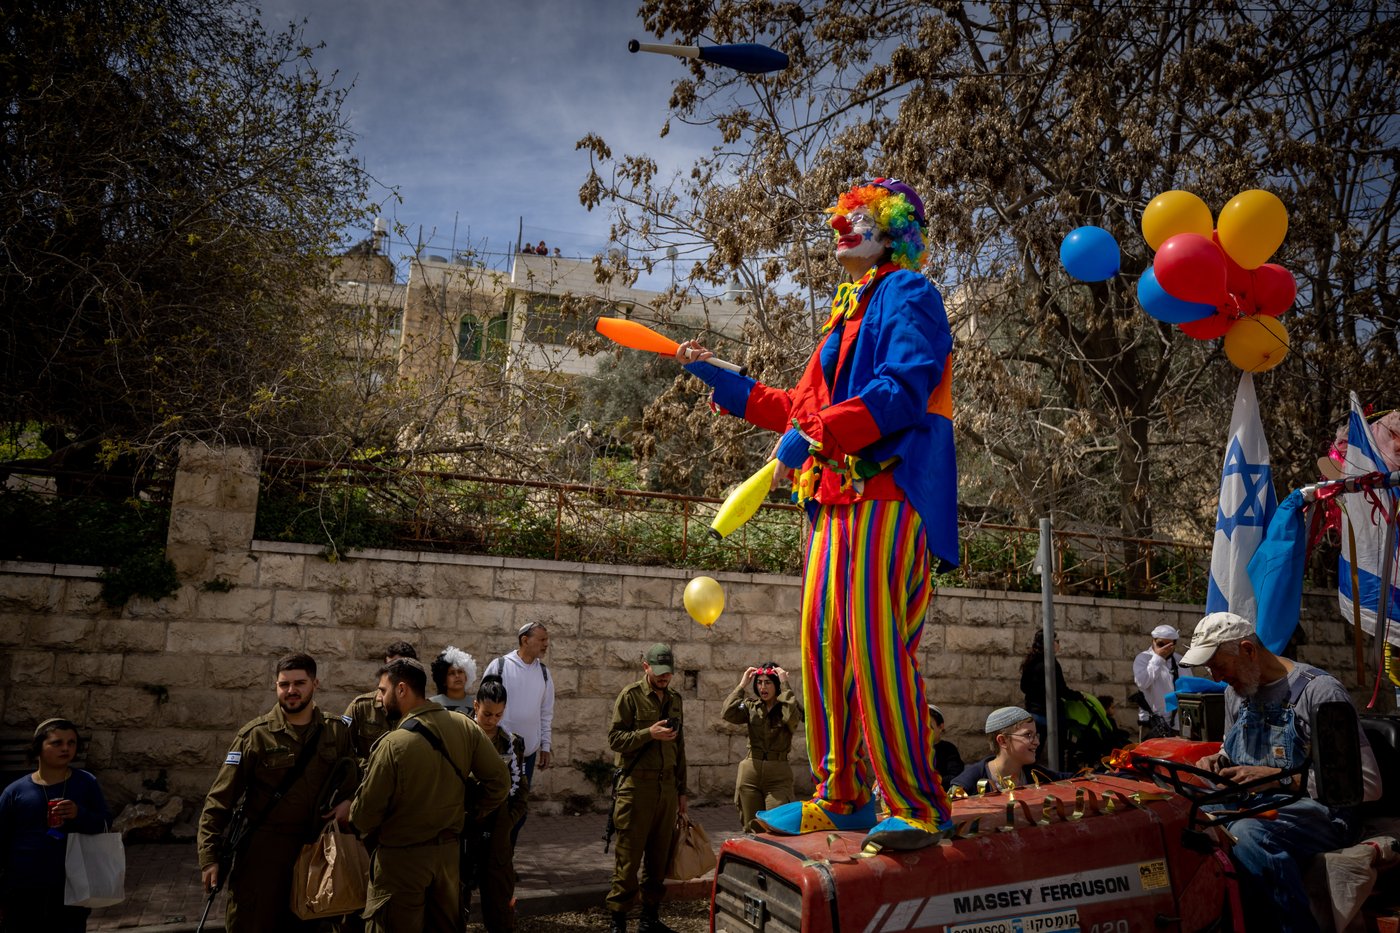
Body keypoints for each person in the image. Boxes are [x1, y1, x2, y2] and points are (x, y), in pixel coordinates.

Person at [675, 178, 957, 851]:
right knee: (824, 650)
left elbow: (903, 387)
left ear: (892, 231)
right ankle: (842, 795)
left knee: (876, 649)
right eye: (840, 216)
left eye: (857, 217)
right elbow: (796, 408)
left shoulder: (908, 292)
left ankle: (916, 804)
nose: (839, 225)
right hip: (829, 505)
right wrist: (724, 381)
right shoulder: (847, 309)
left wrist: (821, 430)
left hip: (885, 496)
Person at [1184, 612, 1383, 933]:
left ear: (1248, 650)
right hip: (1259, 805)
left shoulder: (1319, 692)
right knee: (1188, 816)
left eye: (1219, 666)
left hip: (1325, 813)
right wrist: (1217, 760)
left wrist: (1280, 778)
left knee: (1248, 834)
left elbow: (1367, 783)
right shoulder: (1236, 694)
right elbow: (1231, 750)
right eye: (1211, 669)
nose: (1217, 677)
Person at [197, 653, 357, 933]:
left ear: (315, 684)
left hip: (315, 852)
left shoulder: (335, 732)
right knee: (253, 923)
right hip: (264, 853)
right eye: (284, 684)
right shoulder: (255, 736)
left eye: (299, 683)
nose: (291, 690)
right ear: (276, 686)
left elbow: (354, 778)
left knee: (309, 925)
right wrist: (209, 858)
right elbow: (219, 801)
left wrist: (350, 802)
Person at [351, 658, 509, 933]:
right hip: (448, 859)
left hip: (401, 862)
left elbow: (363, 816)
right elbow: (500, 782)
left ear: (402, 689)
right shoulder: (464, 726)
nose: (379, 698)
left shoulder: (392, 745)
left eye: (383, 690)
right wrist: (470, 814)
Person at [606, 644, 688, 933]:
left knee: (658, 860)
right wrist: (648, 733)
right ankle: (618, 921)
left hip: (666, 789)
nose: (665, 677)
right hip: (636, 788)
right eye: (660, 672)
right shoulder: (630, 696)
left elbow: (679, 748)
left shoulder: (675, 699)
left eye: (669, 673)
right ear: (646, 667)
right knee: (627, 861)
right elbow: (615, 739)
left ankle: (649, 920)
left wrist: (682, 791)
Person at [0, 718, 110, 932]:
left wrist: (79, 814)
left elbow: (104, 824)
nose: (65, 748)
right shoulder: (15, 791)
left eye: (71, 743)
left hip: (72, 884)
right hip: (24, 887)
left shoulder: (86, 783)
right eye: (57, 743)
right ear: (38, 747)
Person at [462, 674, 528, 933]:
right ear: (476, 706)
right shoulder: (460, 735)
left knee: (499, 897)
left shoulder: (512, 742)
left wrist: (507, 822)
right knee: (456, 895)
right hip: (464, 826)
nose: (492, 720)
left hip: (498, 827)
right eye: (487, 714)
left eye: (498, 715)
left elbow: (521, 791)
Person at [721, 662, 802, 831]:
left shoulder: (788, 706)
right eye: (759, 682)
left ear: (776, 685)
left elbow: (791, 719)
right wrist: (742, 684)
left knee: (777, 825)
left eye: (768, 682)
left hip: (778, 774)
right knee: (752, 826)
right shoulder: (752, 706)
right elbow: (727, 713)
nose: (763, 687)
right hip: (751, 771)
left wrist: (785, 683)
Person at [482, 622, 554, 785]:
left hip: (528, 755)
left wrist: (545, 746)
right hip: (498, 753)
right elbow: (483, 707)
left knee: (521, 798)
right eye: (542, 639)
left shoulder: (544, 674)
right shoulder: (500, 666)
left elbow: (546, 713)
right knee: (496, 797)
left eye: (546, 639)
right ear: (525, 640)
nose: (546, 644)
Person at [948, 707, 1063, 796]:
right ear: (1003, 741)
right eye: (1028, 735)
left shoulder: (1037, 774)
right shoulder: (967, 784)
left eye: (1036, 735)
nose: (1037, 742)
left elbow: (1069, 779)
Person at [344, 640, 419, 772]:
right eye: (389, 667)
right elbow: (342, 747)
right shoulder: (361, 707)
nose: (393, 673)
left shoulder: (420, 711)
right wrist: (371, 768)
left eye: (399, 668)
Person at [1019, 629, 1077, 760]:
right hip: (1049, 715)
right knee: (1059, 751)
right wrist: (1079, 696)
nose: (1058, 644)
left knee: (1033, 752)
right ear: (1050, 643)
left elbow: (1023, 687)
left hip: (1033, 713)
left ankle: (1029, 772)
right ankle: (1058, 771)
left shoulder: (1031, 661)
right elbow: (1061, 690)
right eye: (1057, 641)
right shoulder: (1051, 663)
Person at [1132, 624, 1192, 731]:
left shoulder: (1180, 660)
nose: (1164, 648)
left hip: (1177, 724)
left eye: (1168, 645)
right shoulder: (1143, 658)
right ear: (1153, 641)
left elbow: (1189, 690)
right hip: (1152, 722)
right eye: (1160, 644)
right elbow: (1142, 683)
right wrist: (1158, 658)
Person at [428, 645, 477, 714]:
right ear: (443, 679)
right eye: (451, 673)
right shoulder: (432, 704)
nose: (457, 676)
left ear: (466, 676)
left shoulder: (476, 705)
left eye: (460, 672)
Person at [928, 704, 965, 789]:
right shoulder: (912, 749)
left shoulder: (948, 749)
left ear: (940, 726)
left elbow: (955, 777)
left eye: (929, 726)